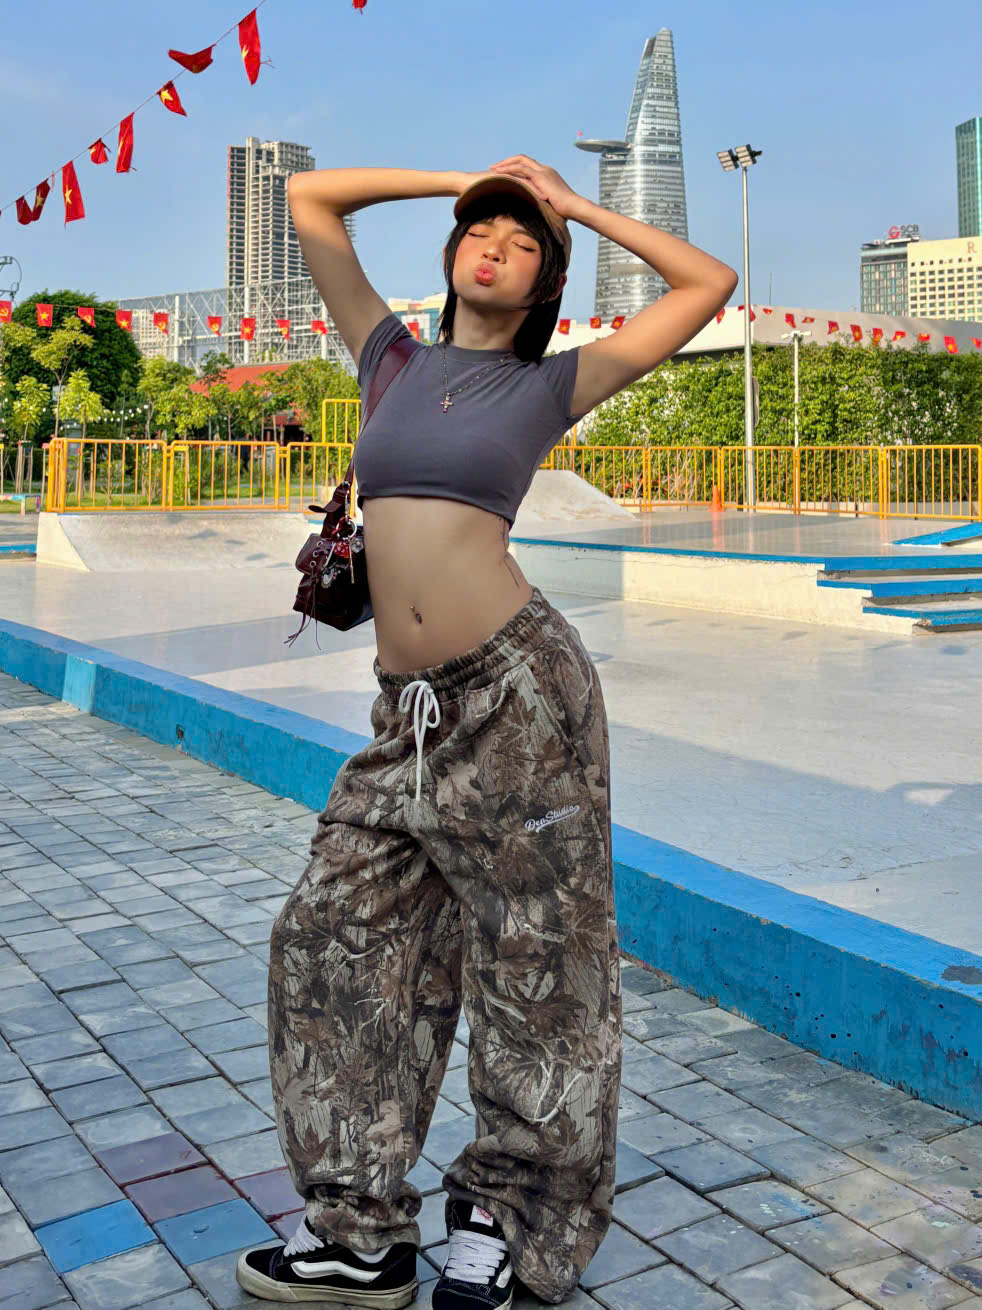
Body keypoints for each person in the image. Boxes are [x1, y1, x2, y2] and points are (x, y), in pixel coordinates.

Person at [236, 155, 737, 1309]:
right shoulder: (389, 359)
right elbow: (313, 202)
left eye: (520, 241)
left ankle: (503, 1222)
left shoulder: (551, 383)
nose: (494, 245)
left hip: (519, 696)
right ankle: (358, 1228)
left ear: (546, 281)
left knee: (537, 970)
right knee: (327, 936)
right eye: (480, 230)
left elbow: (705, 282)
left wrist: (572, 206)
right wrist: (471, 178)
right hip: (406, 714)